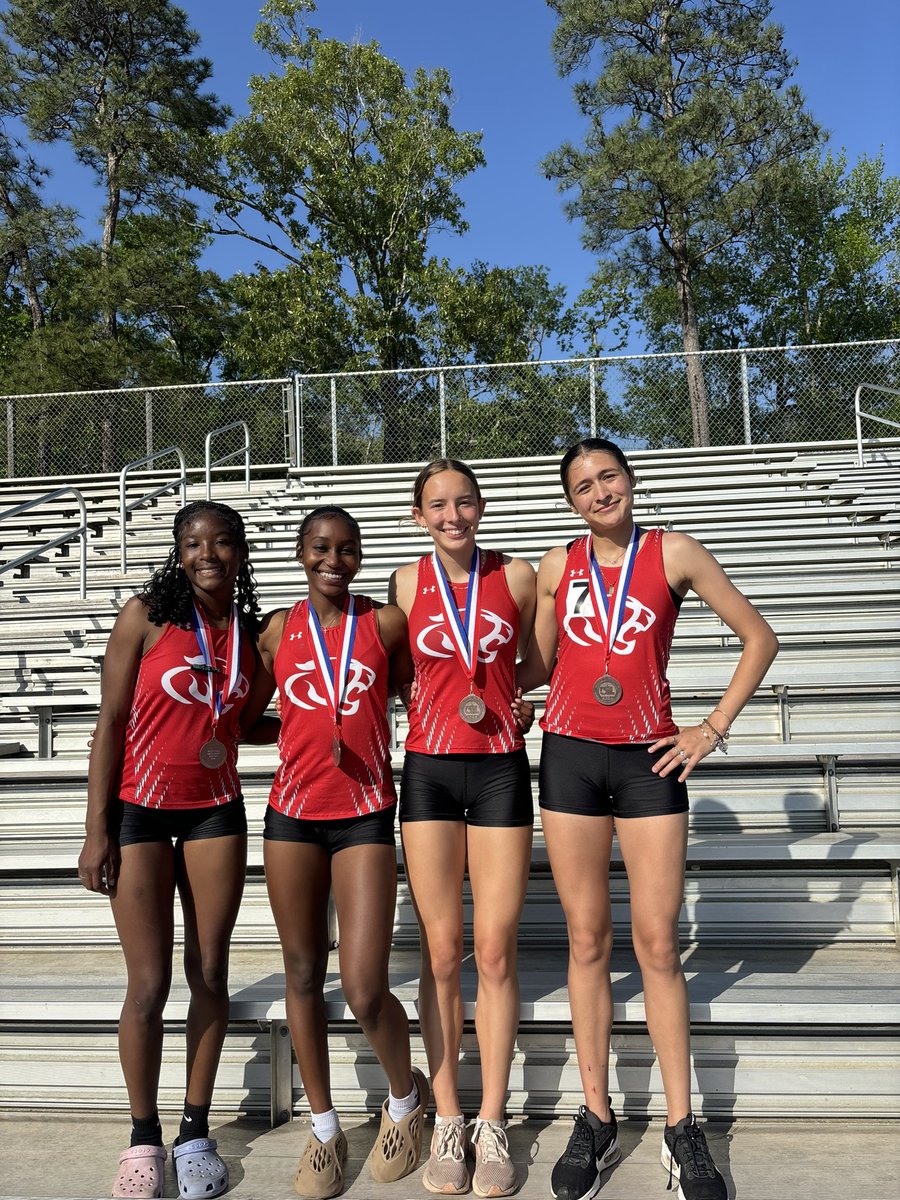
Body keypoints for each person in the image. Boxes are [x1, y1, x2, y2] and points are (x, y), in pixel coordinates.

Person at [517, 438, 779, 1200]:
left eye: (609, 476)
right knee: (587, 939)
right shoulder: (558, 565)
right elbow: (537, 666)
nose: (600, 492)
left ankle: (681, 1125)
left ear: (630, 479)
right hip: (570, 755)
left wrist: (711, 728)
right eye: (583, 486)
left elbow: (760, 637)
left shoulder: (674, 552)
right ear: (571, 502)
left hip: (649, 760)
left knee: (658, 943)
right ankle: (596, 1116)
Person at [240, 505, 427, 1200]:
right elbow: (245, 716)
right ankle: (324, 1128)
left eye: (347, 549)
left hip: (364, 813)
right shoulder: (276, 631)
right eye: (320, 547)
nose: (334, 560)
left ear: (359, 557)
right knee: (300, 972)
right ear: (300, 552)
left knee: (363, 986)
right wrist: (299, 730)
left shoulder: (385, 624)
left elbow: (418, 693)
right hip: (292, 814)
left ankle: (405, 1102)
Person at [78, 501, 261, 1200]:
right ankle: (142, 1136)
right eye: (192, 543)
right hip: (140, 810)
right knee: (148, 984)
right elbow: (110, 721)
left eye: (221, 542)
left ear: (240, 552)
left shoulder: (250, 634)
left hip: (215, 809)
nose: (207, 553)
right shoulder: (144, 618)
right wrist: (97, 828)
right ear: (178, 553)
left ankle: (194, 1131)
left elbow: (249, 722)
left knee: (209, 970)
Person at [388, 459, 537, 1198]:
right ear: (419, 516)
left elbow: (535, 661)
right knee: (442, 951)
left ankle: (492, 1120)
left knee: (496, 951)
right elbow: (397, 670)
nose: (453, 515)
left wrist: (512, 698)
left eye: (465, 501)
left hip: (501, 766)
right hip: (429, 769)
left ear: (481, 507)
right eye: (438, 505)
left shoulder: (519, 577)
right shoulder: (404, 583)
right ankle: (447, 1117)